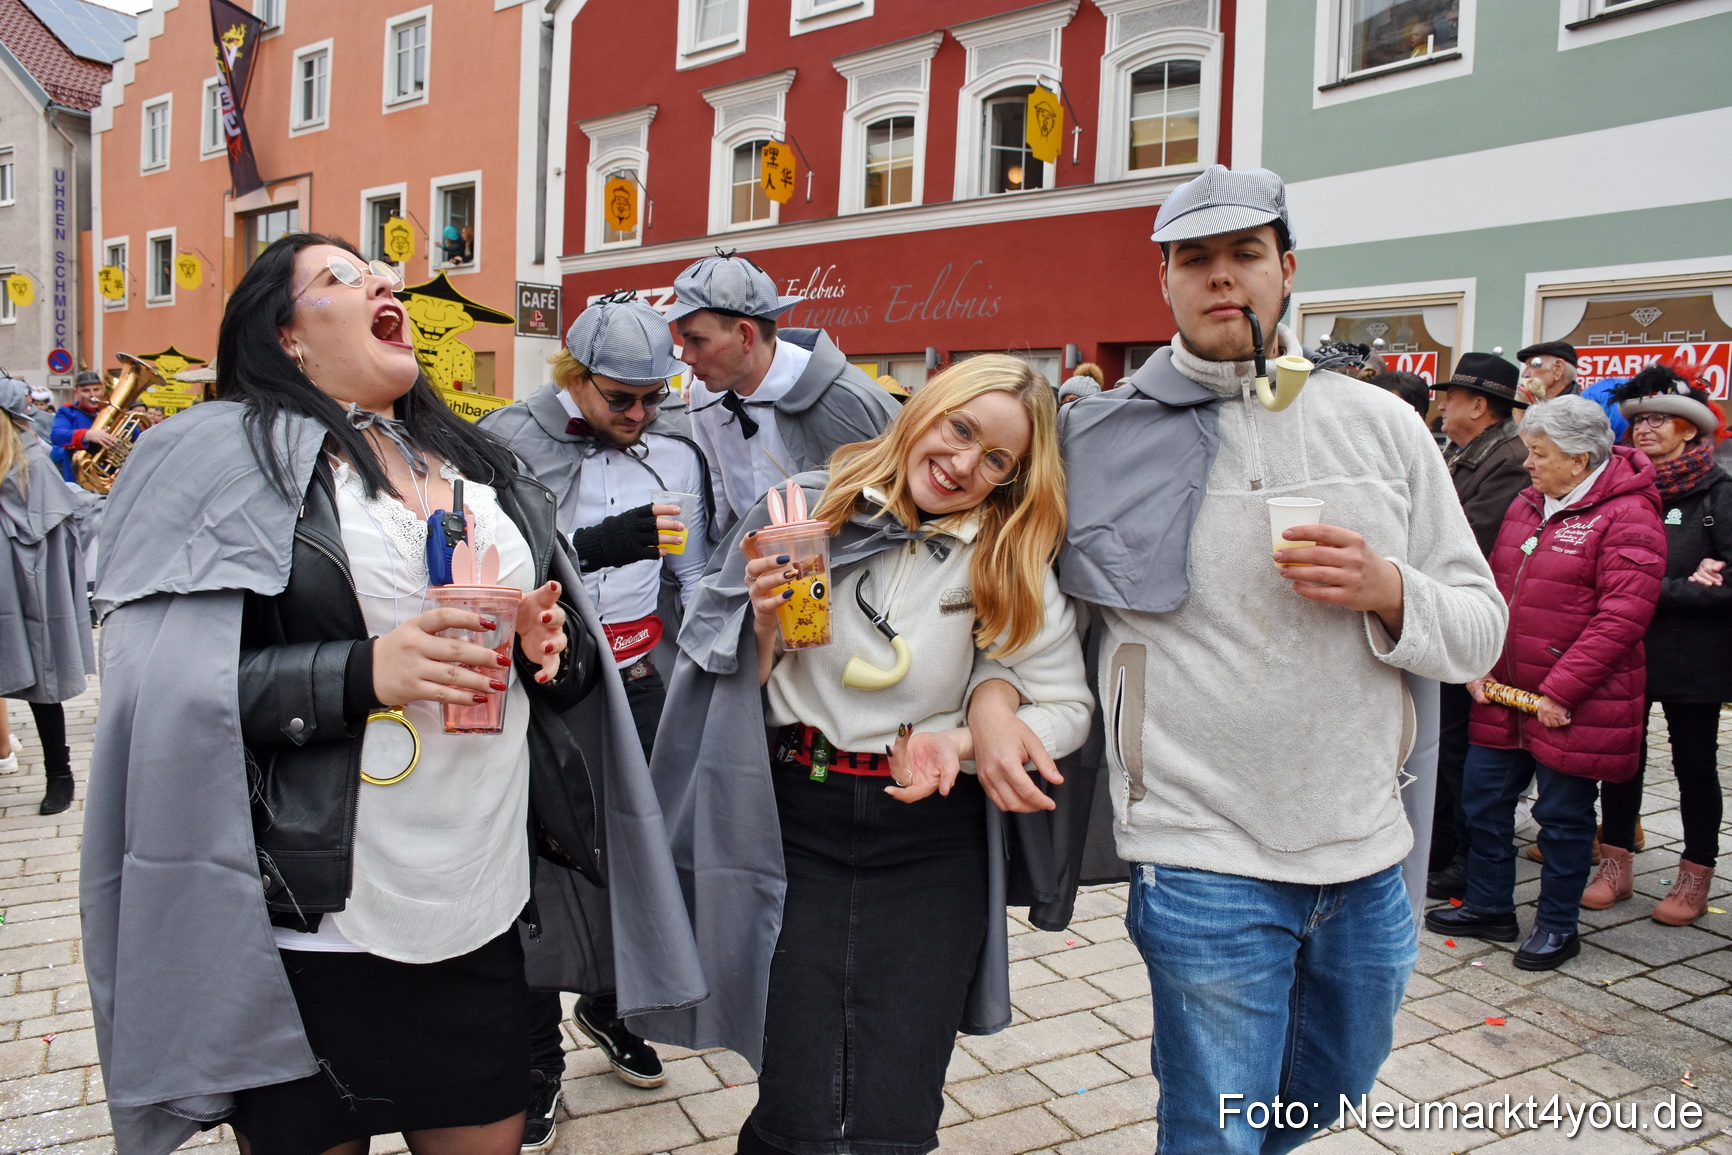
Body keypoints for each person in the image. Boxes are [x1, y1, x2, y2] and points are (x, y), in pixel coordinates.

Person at [81, 233, 705, 1155]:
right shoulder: (217, 456)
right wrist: (364, 672)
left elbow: (562, 673)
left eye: (379, 269)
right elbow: (170, 693)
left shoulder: (478, 463)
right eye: (339, 276)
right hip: (320, 917)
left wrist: (552, 649)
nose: (382, 279)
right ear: (285, 335)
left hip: (481, 900)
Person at [1038, 165, 1505, 1155]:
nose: (1222, 279)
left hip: (1364, 846)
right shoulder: (1097, 433)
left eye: (1244, 254)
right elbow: (1003, 588)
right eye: (1194, 259)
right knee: (1214, 1127)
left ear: (1284, 270)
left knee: (1322, 1094)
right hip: (1198, 848)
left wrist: (1389, 589)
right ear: (1161, 281)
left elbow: (1479, 629)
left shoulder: (1381, 426)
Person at [641, 354, 1090, 1155]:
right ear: (925, 410)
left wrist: (967, 733)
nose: (962, 464)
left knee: (896, 1103)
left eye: (996, 459)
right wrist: (763, 624)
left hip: (930, 838)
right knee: (795, 1094)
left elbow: (1067, 703)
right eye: (960, 429)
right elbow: (717, 679)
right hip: (794, 824)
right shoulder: (805, 508)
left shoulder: (1004, 553)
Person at [480, 294, 712, 1147]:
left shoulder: (682, 444)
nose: (641, 413)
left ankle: (614, 1007)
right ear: (573, 378)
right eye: (621, 397)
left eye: (655, 394)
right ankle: (536, 1063)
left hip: (646, 674)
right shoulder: (505, 438)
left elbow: (697, 571)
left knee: (644, 856)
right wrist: (606, 540)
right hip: (548, 686)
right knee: (538, 878)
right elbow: (484, 562)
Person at [1427, 396, 1663, 971]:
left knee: (1562, 819)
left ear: (1580, 460)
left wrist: (1561, 689)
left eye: (1539, 453)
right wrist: (1480, 660)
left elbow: (1622, 617)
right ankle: (1488, 905)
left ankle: (1558, 925)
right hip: (1504, 693)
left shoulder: (1628, 516)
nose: (1527, 463)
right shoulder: (1529, 504)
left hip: (1574, 700)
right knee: (1482, 802)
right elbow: (1497, 589)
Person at [1585, 364, 1732, 925]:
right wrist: (1683, 583)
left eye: (1661, 420)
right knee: (1621, 760)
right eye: (1639, 420)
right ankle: (1615, 864)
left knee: (1695, 763)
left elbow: (1727, 589)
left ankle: (1695, 873)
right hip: (1629, 647)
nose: (1645, 428)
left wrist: (1649, 589)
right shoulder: (1628, 490)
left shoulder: (1720, 493)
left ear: (1690, 430)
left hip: (1696, 659)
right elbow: (1604, 572)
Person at [668, 250, 899, 534]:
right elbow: (714, 478)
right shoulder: (704, 392)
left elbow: (888, 497)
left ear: (745, 335)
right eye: (683, 339)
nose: (687, 356)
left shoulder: (841, 396)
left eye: (697, 340)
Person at [1426, 352, 1531, 900]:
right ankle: (1442, 847)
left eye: (1451, 398)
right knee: (1445, 744)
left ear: (1479, 405)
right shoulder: (1464, 452)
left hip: (1475, 624)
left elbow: (1470, 538)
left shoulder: (1507, 460)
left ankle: (1465, 857)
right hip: (1447, 617)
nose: (1442, 407)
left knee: (1463, 747)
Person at [0, 377, 95, 812]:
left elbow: (50, 538)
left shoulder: (30, 464)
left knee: (41, 679)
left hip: (23, 589)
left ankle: (60, 773)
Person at [50, 370, 118, 483]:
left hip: (112, 478)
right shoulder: (68, 412)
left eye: (96, 389)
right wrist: (87, 435)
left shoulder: (113, 412)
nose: (92, 395)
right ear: (76, 393)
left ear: (102, 389)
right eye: (86, 391)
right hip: (79, 480)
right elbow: (57, 435)